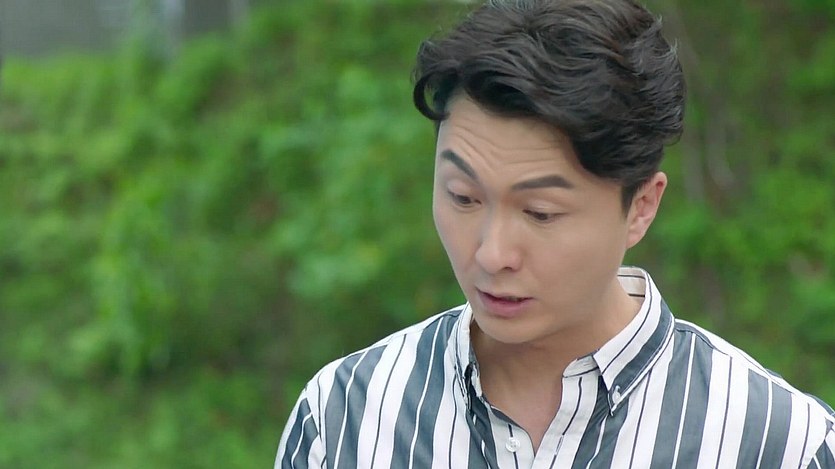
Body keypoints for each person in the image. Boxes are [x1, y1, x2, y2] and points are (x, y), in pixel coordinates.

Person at [275, 0, 835, 467]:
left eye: (541, 212)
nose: (492, 254)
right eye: (463, 197)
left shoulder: (776, 443)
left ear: (641, 206)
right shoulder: (346, 418)